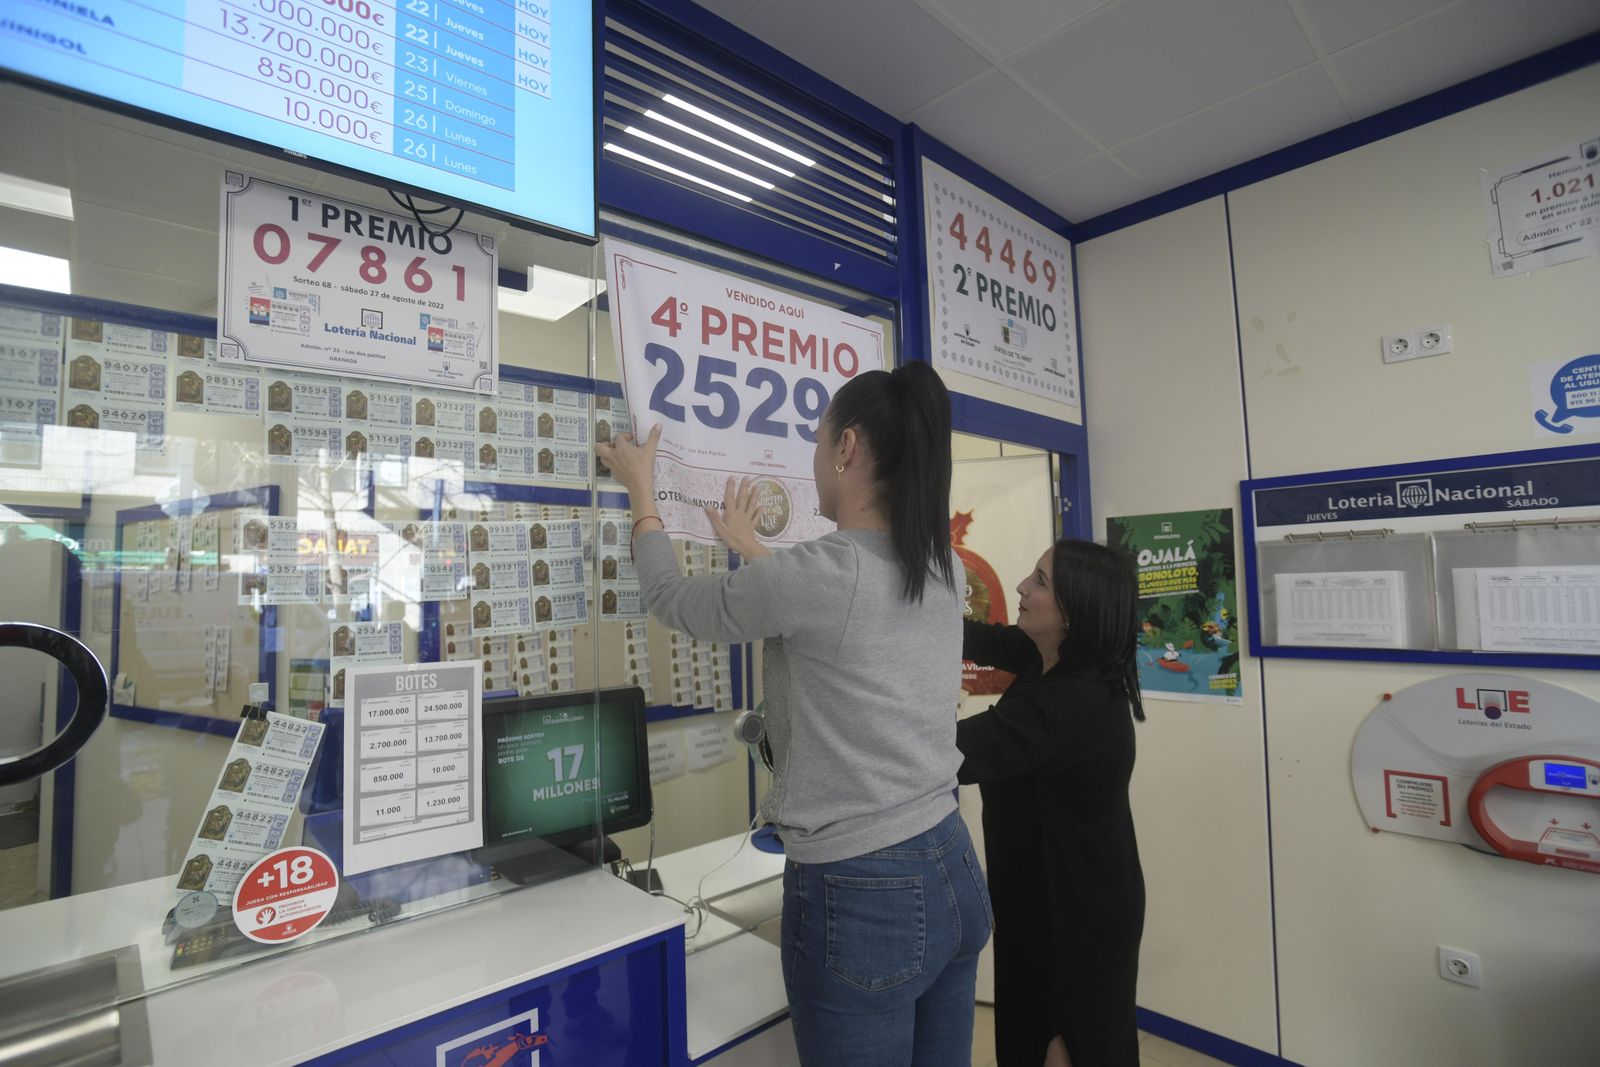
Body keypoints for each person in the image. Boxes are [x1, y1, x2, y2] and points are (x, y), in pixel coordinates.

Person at [597, 361, 990, 1067]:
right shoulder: (943, 566)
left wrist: (641, 491)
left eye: (818, 441)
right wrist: (755, 552)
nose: (814, 460)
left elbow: (673, 599)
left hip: (863, 889)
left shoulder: (821, 575)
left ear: (847, 448)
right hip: (951, 861)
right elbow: (841, 623)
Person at [956, 540, 1146, 1067]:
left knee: (1059, 1044)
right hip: (1056, 899)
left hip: (1072, 923)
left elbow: (945, 755)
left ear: (1073, 613)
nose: (1021, 587)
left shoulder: (1070, 704)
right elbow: (969, 635)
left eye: (1039, 581)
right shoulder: (1048, 658)